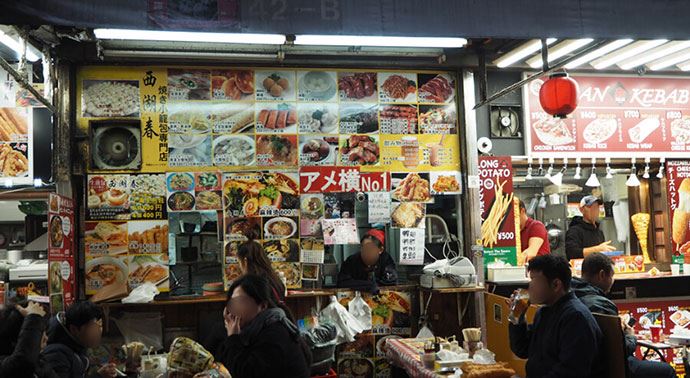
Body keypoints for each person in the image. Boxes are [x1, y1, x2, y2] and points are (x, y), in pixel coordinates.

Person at [572, 253, 677, 378]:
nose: (613, 281)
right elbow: (618, 351)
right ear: (602, 275)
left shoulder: (571, 296)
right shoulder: (602, 304)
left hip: (582, 367)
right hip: (608, 368)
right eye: (612, 276)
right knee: (667, 371)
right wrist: (630, 335)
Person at [508, 254, 605, 378]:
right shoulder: (544, 311)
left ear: (556, 285)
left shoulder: (575, 318)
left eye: (535, 280)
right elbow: (522, 349)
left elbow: (569, 373)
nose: (530, 286)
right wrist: (517, 315)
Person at [218, 274, 311, 378]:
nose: (235, 308)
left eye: (241, 301)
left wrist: (233, 337)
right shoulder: (253, 328)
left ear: (262, 306)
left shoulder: (275, 333)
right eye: (233, 302)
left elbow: (244, 374)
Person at [41, 301, 117, 378]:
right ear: (74, 329)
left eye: (100, 325)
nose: (98, 331)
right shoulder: (56, 354)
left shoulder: (77, 344)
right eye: (93, 327)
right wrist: (99, 376)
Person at [0, 301, 57, 378]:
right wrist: (33, 317)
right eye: (39, 332)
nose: (46, 338)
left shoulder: (40, 362)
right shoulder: (7, 366)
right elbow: (22, 364)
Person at [565, 195, 616, 260]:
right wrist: (597, 249)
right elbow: (572, 253)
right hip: (581, 269)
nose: (594, 210)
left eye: (596, 207)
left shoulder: (599, 232)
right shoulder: (574, 231)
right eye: (590, 207)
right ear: (581, 209)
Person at [237, 238, 287, 304]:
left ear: (245, 261)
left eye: (239, 262)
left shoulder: (251, 284)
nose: (239, 266)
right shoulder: (275, 279)